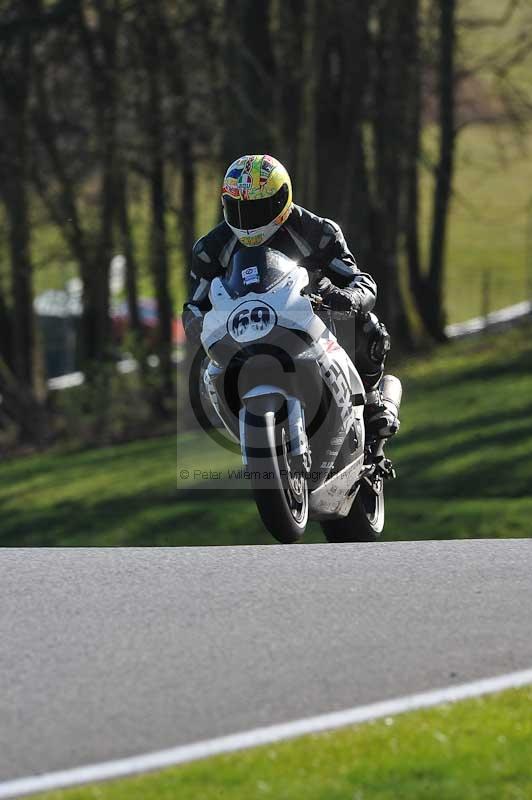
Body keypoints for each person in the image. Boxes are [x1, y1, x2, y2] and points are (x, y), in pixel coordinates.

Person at [182, 154, 399, 439]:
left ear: (281, 199)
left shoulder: (318, 232)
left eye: (259, 208)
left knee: (369, 326)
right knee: (207, 368)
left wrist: (350, 298)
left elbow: (360, 280)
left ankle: (372, 402)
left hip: (310, 318)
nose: (248, 221)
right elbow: (194, 305)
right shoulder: (210, 249)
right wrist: (196, 323)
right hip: (244, 331)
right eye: (238, 209)